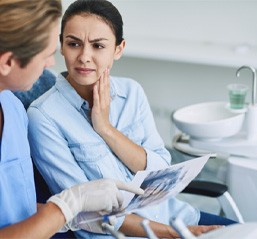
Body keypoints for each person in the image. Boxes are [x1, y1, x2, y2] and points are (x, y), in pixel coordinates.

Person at [27, 0, 237, 238]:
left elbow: (160, 169)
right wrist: (172, 234)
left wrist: (105, 128)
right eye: (74, 44)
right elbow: (82, 211)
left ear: (118, 49)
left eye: (98, 46)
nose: (84, 57)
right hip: (118, 233)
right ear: (62, 46)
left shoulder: (132, 92)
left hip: (174, 216)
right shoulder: (43, 116)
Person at [0, 1, 143, 238]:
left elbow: (18, 208)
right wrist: (67, 205)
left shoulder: (13, 108)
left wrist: (75, 214)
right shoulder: (40, 114)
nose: (50, 65)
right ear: (7, 62)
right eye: (46, 55)